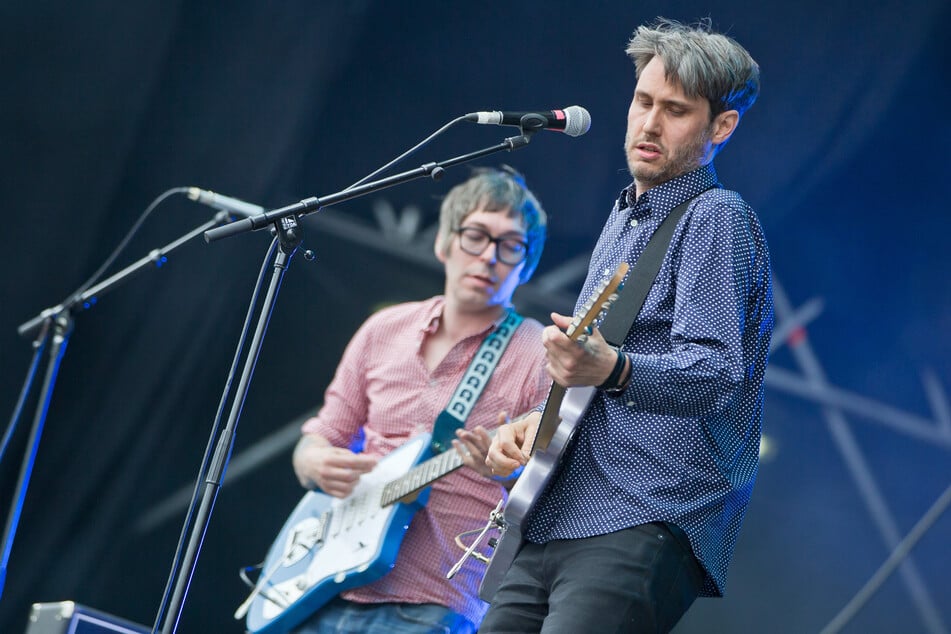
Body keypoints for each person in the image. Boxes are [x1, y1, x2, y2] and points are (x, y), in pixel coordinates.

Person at [481, 18, 773, 633]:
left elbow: (716, 372)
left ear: (722, 126)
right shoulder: (621, 221)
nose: (649, 124)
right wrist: (540, 421)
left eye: (676, 110)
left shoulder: (716, 218)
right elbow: (593, 371)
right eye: (643, 101)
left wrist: (611, 368)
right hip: (557, 509)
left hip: (643, 514)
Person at [290, 167, 551, 634]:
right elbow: (321, 438)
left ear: (526, 266)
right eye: (476, 235)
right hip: (320, 586)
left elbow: (553, 496)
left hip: (434, 603)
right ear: (444, 243)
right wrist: (313, 462)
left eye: (510, 246)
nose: (489, 257)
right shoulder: (383, 329)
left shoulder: (538, 354)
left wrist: (511, 474)